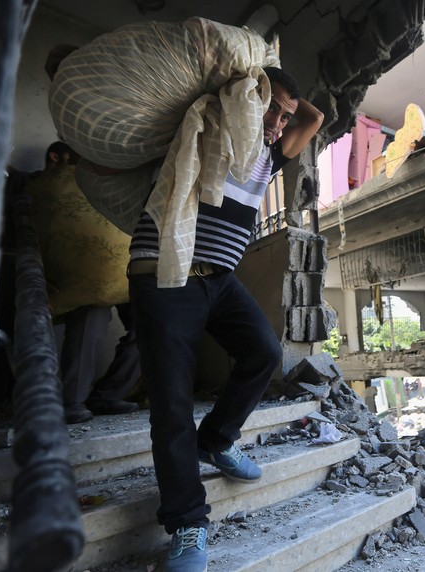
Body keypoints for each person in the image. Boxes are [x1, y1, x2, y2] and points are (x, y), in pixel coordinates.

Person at [127, 67, 322, 572]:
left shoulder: (268, 160)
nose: (279, 122)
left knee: (263, 352)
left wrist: (278, 106)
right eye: (272, 108)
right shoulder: (201, 131)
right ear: (245, 99)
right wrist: (248, 85)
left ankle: (214, 440)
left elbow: (314, 117)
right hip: (166, 273)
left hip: (218, 280)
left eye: (283, 115)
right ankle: (188, 526)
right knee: (171, 401)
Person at [28, 142, 141, 424]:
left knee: (153, 322)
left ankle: (107, 395)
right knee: (92, 312)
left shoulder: (103, 184)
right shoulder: (32, 186)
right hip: (72, 283)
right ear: (57, 157)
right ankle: (72, 401)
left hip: (124, 274)